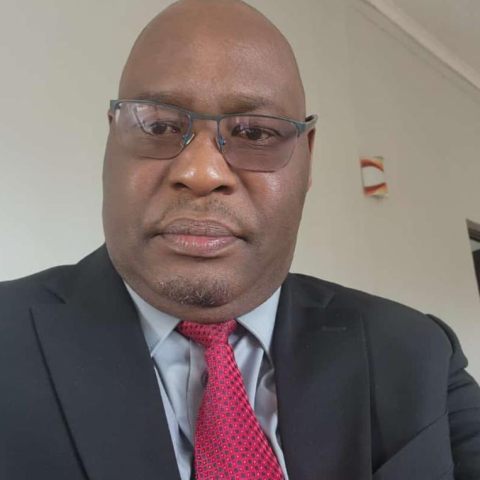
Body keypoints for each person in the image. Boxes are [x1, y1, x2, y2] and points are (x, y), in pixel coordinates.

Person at [1, 0, 479, 479]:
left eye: (255, 133)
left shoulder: (418, 353)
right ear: (113, 141)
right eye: (159, 126)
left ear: (308, 159)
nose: (201, 172)